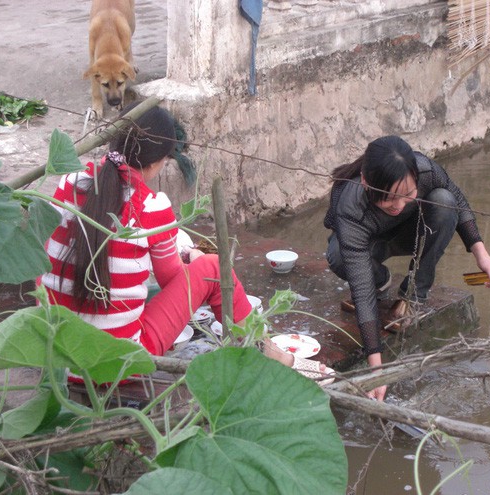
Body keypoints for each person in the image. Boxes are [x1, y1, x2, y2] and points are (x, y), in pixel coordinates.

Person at [38, 104, 333, 384]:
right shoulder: (153, 207)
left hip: (57, 357)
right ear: (157, 162)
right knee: (213, 268)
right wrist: (189, 255)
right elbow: (170, 279)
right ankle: (273, 356)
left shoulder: (69, 182)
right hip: (121, 366)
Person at [324, 135, 490, 401]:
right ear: (366, 183)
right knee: (338, 256)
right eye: (388, 199)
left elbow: (459, 199)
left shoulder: (424, 169)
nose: (398, 205)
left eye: (407, 195)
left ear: (415, 179)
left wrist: (482, 254)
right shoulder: (348, 203)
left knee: (444, 201)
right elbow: (362, 294)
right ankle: (382, 280)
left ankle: (412, 295)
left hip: (413, 232)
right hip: (367, 241)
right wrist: (377, 370)